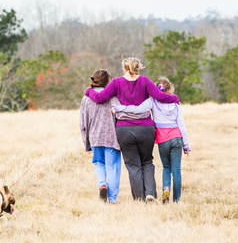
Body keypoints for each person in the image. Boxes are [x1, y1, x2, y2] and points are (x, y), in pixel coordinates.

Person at [84, 58, 179, 202]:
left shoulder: (116, 82)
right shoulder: (146, 81)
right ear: (138, 68)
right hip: (146, 128)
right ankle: (150, 194)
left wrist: (88, 90)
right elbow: (160, 96)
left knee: (133, 165)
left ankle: (139, 199)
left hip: (125, 130)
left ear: (125, 69)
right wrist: (174, 97)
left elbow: (100, 98)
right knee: (147, 162)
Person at [112, 78, 190, 203]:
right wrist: (186, 145)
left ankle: (165, 189)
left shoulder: (152, 101)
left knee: (166, 167)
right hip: (176, 138)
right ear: (170, 90)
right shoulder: (175, 105)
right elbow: (182, 125)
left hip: (163, 140)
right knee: (176, 170)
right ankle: (176, 200)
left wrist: (120, 108)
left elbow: (137, 110)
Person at [80, 69, 150, 203]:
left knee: (98, 163)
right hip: (112, 138)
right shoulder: (113, 98)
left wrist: (86, 141)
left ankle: (102, 185)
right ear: (108, 82)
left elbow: (82, 123)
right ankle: (112, 199)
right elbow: (122, 114)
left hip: (95, 138)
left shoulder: (86, 99)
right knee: (112, 167)